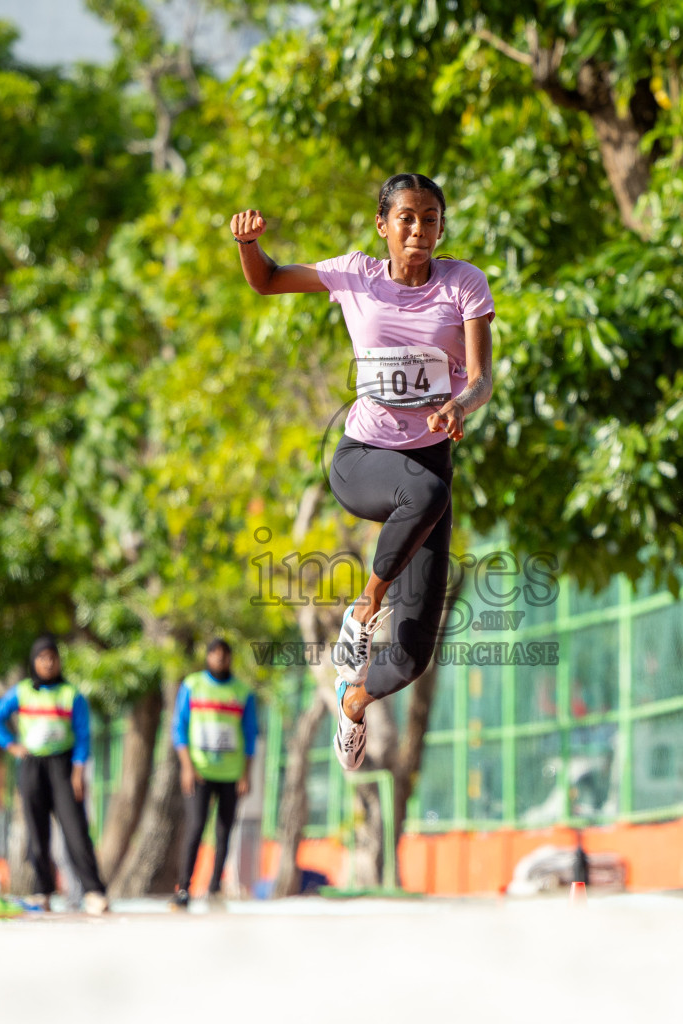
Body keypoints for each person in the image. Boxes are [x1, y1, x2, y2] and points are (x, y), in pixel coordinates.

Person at [233, 173, 494, 771]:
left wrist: (463, 403)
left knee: (410, 657)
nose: (419, 230)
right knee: (426, 491)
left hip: (428, 470)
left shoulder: (464, 284)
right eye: (406, 217)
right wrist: (248, 245)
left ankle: (353, 703)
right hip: (362, 461)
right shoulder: (356, 274)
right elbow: (269, 280)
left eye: (430, 219)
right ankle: (364, 607)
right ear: (383, 225)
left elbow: (480, 377)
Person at [0, 634, 109, 915]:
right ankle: (42, 891)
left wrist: (78, 770)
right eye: (42, 658)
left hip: (63, 766)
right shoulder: (22, 692)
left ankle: (94, 891)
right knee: (36, 830)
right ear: (34, 661)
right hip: (32, 765)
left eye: (52, 658)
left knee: (75, 829)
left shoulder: (71, 694)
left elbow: (83, 735)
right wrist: (11, 745)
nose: (48, 663)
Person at [169, 638, 259, 910]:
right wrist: (186, 766)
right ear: (208, 657)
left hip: (231, 773)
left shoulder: (242, 692)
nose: (220, 659)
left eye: (225, 655)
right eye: (215, 654)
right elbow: (179, 728)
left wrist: (245, 773)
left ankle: (215, 888)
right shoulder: (193, 686)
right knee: (196, 827)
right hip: (200, 771)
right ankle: (184, 887)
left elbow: (250, 735)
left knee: (224, 831)